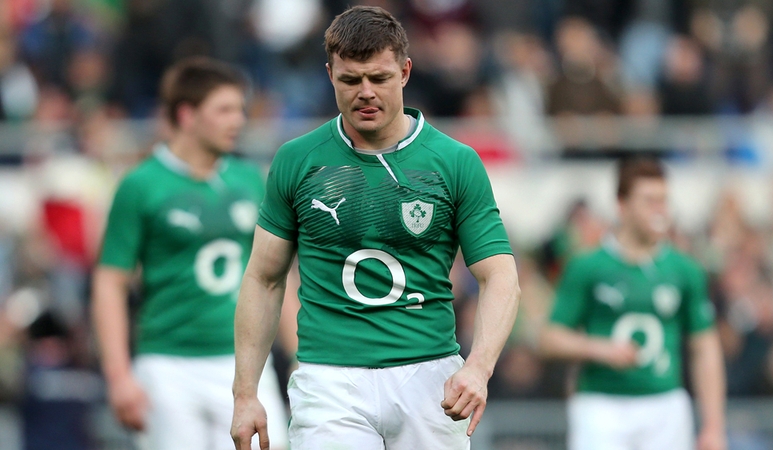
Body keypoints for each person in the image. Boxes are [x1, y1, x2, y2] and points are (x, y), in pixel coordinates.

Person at [230, 6, 520, 450]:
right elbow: (264, 278)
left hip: (430, 376)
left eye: (379, 78)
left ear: (405, 71)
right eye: (350, 80)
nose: (365, 92)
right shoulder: (297, 159)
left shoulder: (455, 162)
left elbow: (500, 275)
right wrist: (245, 393)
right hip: (330, 378)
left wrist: (479, 367)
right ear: (330, 75)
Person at [91, 57, 288, 450]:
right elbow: (110, 281)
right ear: (187, 115)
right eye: (225, 110)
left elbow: (278, 275)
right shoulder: (141, 185)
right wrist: (118, 377)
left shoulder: (250, 181)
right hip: (169, 363)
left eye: (240, 110)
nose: (238, 121)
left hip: (245, 363)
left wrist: (300, 354)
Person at [539, 158, 727, 450]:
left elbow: (705, 346)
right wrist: (600, 349)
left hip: (664, 404)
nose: (659, 211)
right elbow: (550, 339)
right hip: (601, 404)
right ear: (622, 205)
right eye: (649, 201)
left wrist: (714, 427)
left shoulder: (685, 269)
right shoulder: (587, 266)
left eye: (663, 200)